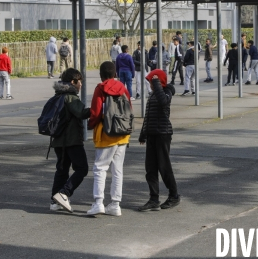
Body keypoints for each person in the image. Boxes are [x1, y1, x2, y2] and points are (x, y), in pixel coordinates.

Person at [86, 61, 132, 216]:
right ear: (115, 74)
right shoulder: (123, 89)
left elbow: (96, 112)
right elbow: (129, 109)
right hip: (123, 133)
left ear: (101, 74)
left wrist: (91, 125)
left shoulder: (100, 89)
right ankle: (115, 204)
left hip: (106, 133)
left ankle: (98, 202)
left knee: (100, 167)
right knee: (117, 169)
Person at [138, 69, 180, 212]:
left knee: (164, 166)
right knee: (150, 168)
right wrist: (143, 133)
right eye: (150, 81)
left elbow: (163, 102)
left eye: (151, 81)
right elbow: (148, 116)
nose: (149, 84)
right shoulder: (153, 95)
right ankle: (153, 199)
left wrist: (156, 83)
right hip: (152, 134)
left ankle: (174, 195)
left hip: (163, 134)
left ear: (158, 81)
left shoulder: (167, 92)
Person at [50, 68, 91, 213]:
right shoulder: (71, 97)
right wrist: (98, 109)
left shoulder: (59, 95)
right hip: (71, 140)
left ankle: (54, 201)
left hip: (58, 140)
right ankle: (64, 193)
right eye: (80, 82)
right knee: (82, 168)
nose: (81, 85)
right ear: (73, 82)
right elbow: (81, 112)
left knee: (62, 169)